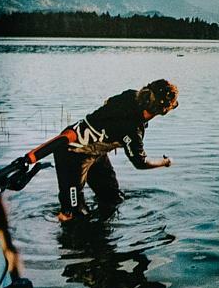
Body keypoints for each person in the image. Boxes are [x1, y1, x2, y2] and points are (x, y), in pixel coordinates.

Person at [54, 79, 178, 220]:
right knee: (73, 214)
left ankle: (99, 229)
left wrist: (108, 129)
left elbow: (108, 101)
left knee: (113, 198)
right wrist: (165, 162)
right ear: (163, 111)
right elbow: (140, 163)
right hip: (71, 152)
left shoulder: (131, 95)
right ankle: (67, 225)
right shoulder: (133, 130)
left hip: (96, 152)